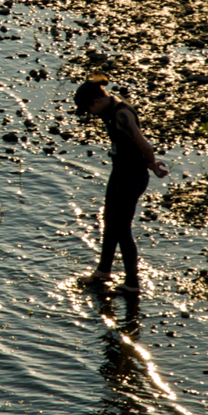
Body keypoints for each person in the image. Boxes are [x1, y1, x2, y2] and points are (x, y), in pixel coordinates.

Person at [74, 77, 169, 289]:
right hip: (120, 171)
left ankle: (132, 283)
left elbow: (145, 145)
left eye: (88, 109)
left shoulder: (121, 115)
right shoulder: (110, 108)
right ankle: (103, 272)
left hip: (132, 175)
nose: (89, 114)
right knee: (109, 221)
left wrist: (152, 165)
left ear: (97, 101)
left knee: (122, 228)